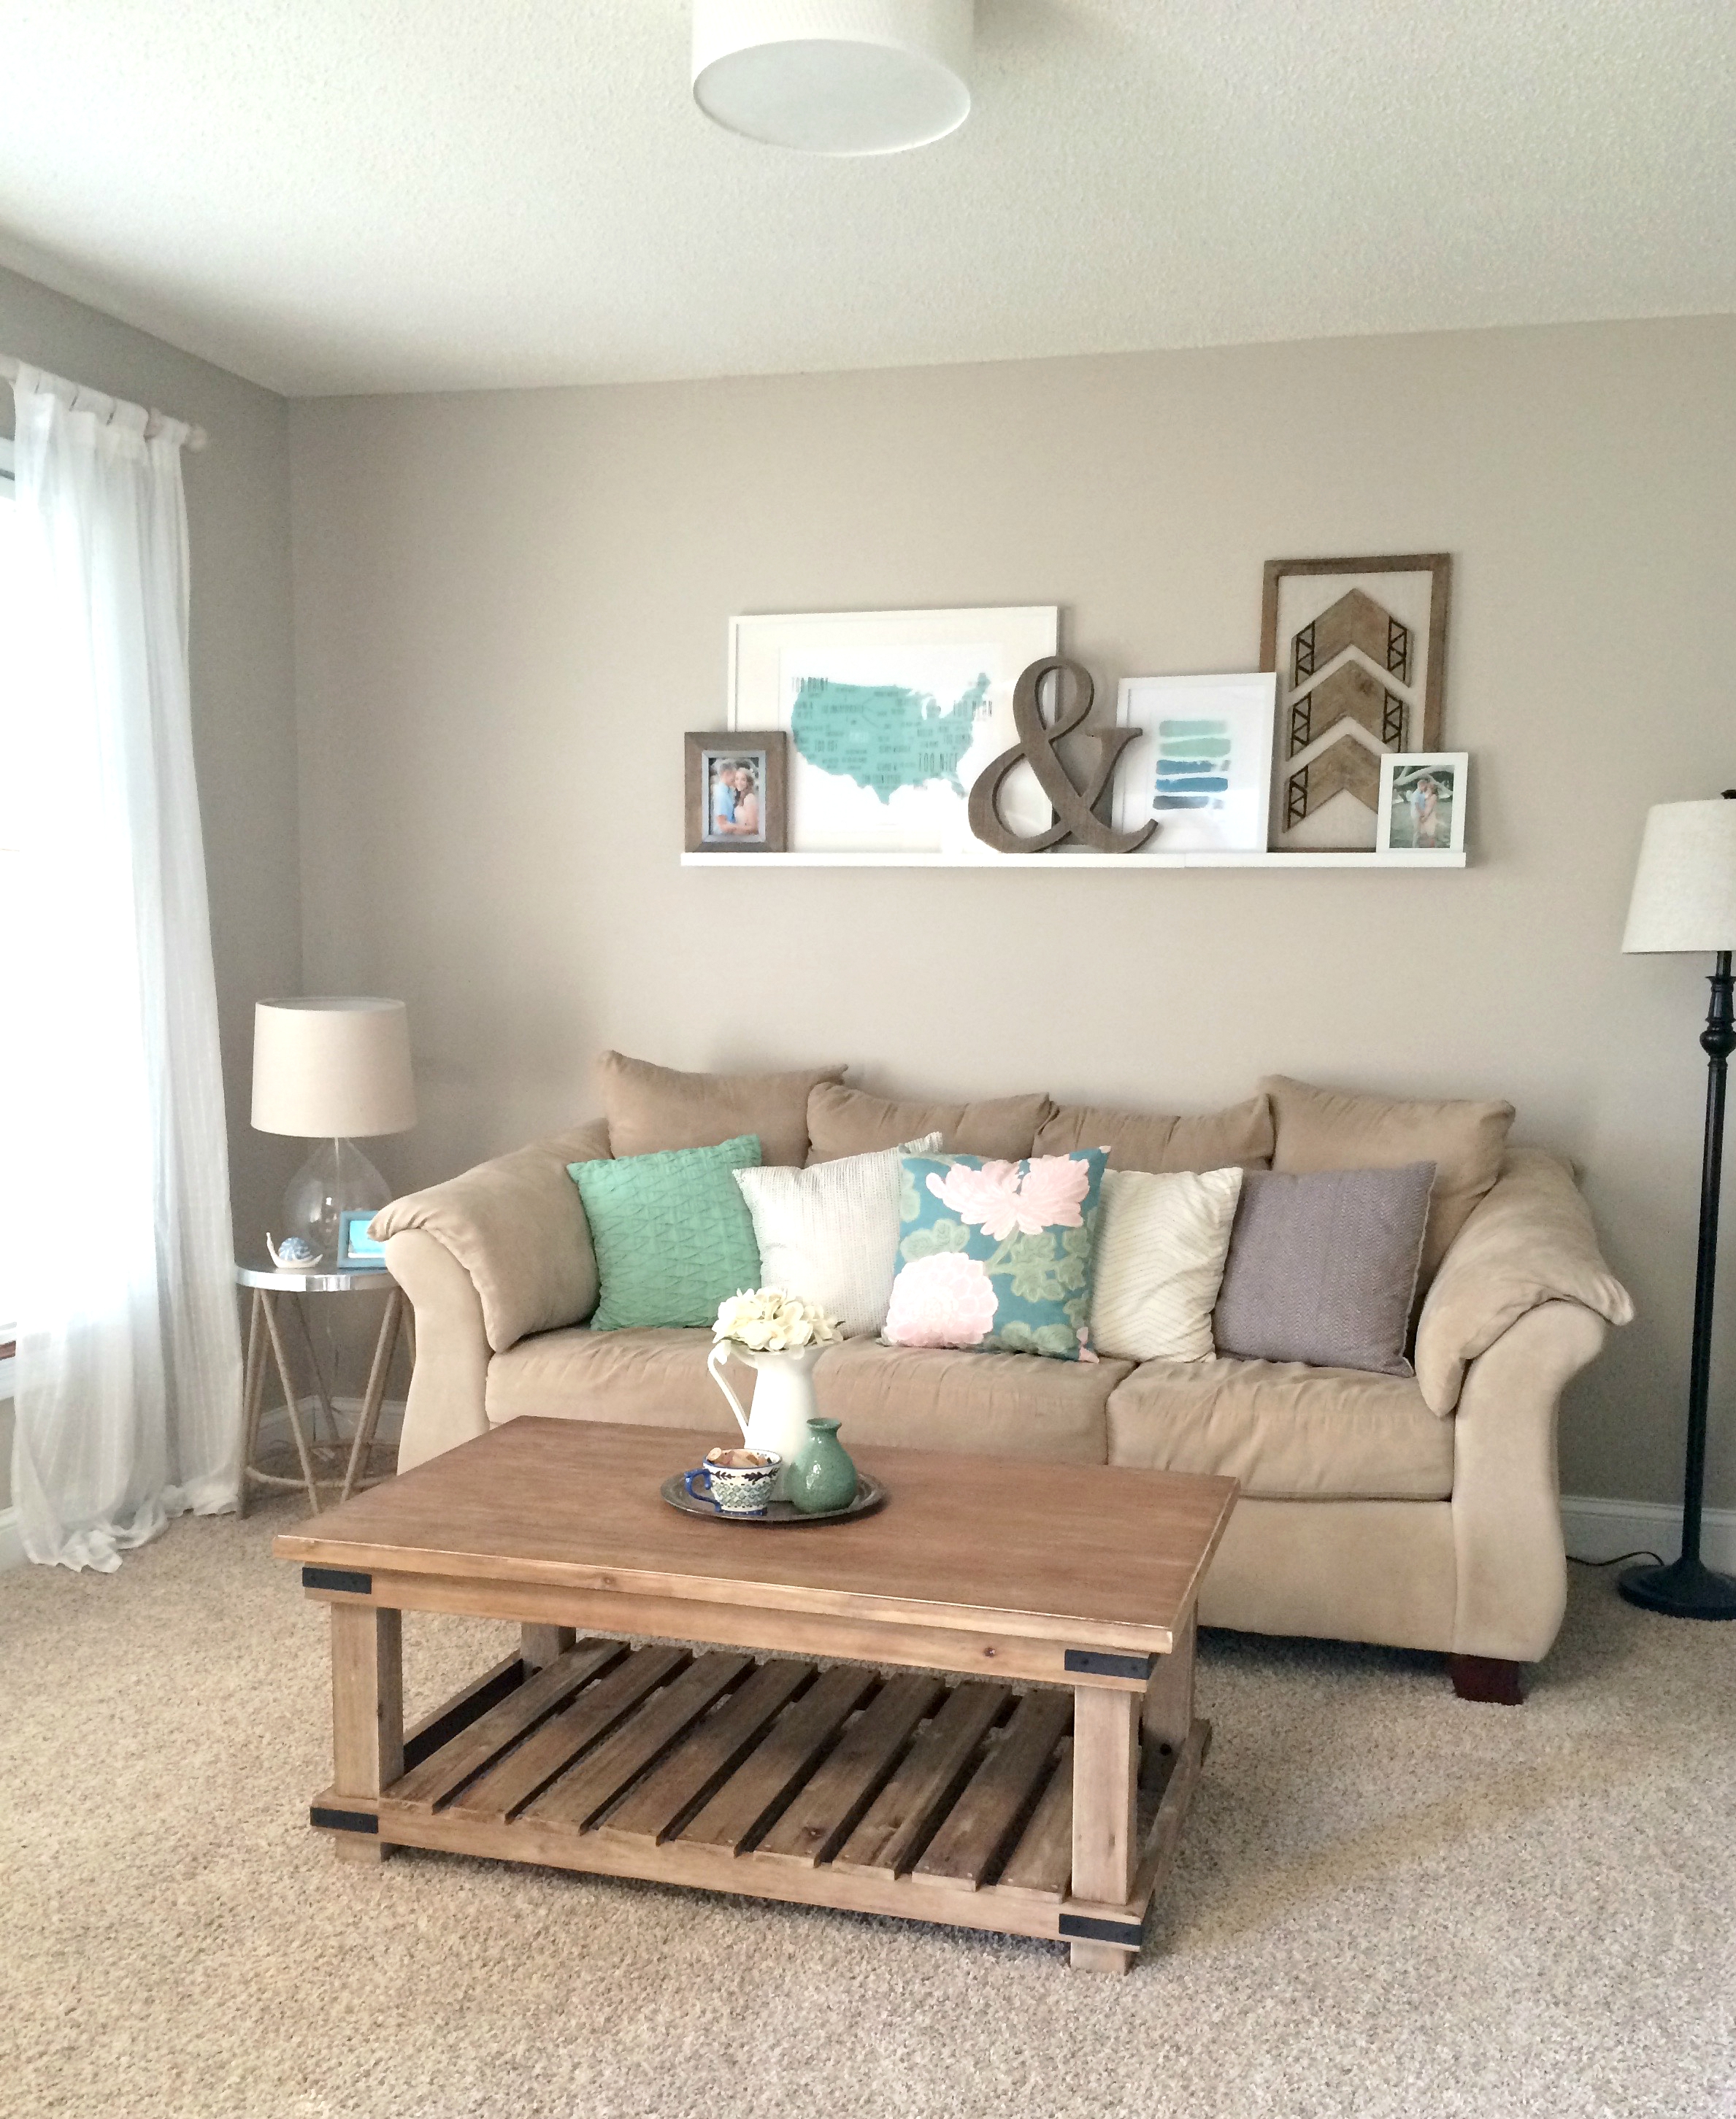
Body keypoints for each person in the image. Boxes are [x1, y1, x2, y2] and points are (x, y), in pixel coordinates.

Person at [718, 762, 761, 837]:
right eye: (737, 779)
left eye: (743, 780)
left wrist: (733, 827)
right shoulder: (739, 798)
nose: (739, 782)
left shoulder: (749, 798)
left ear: (748, 782)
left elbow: (754, 828)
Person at [1407, 772, 1441, 849]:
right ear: (1421, 786)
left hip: (1428, 815)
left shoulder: (1432, 796)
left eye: (1428, 788)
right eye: (1425, 787)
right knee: (1419, 832)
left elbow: (1431, 808)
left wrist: (1425, 816)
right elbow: (1417, 805)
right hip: (1420, 814)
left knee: (1429, 833)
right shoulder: (1417, 794)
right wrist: (1422, 814)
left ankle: (1429, 848)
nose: (1426, 789)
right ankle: (1416, 847)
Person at [710, 760, 738, 837]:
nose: (736, 779)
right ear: (727, 774)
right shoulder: (720, 794)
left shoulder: (728, 792)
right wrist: (748, 829)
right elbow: (723, 825)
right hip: (722, 837)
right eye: (734, 776)